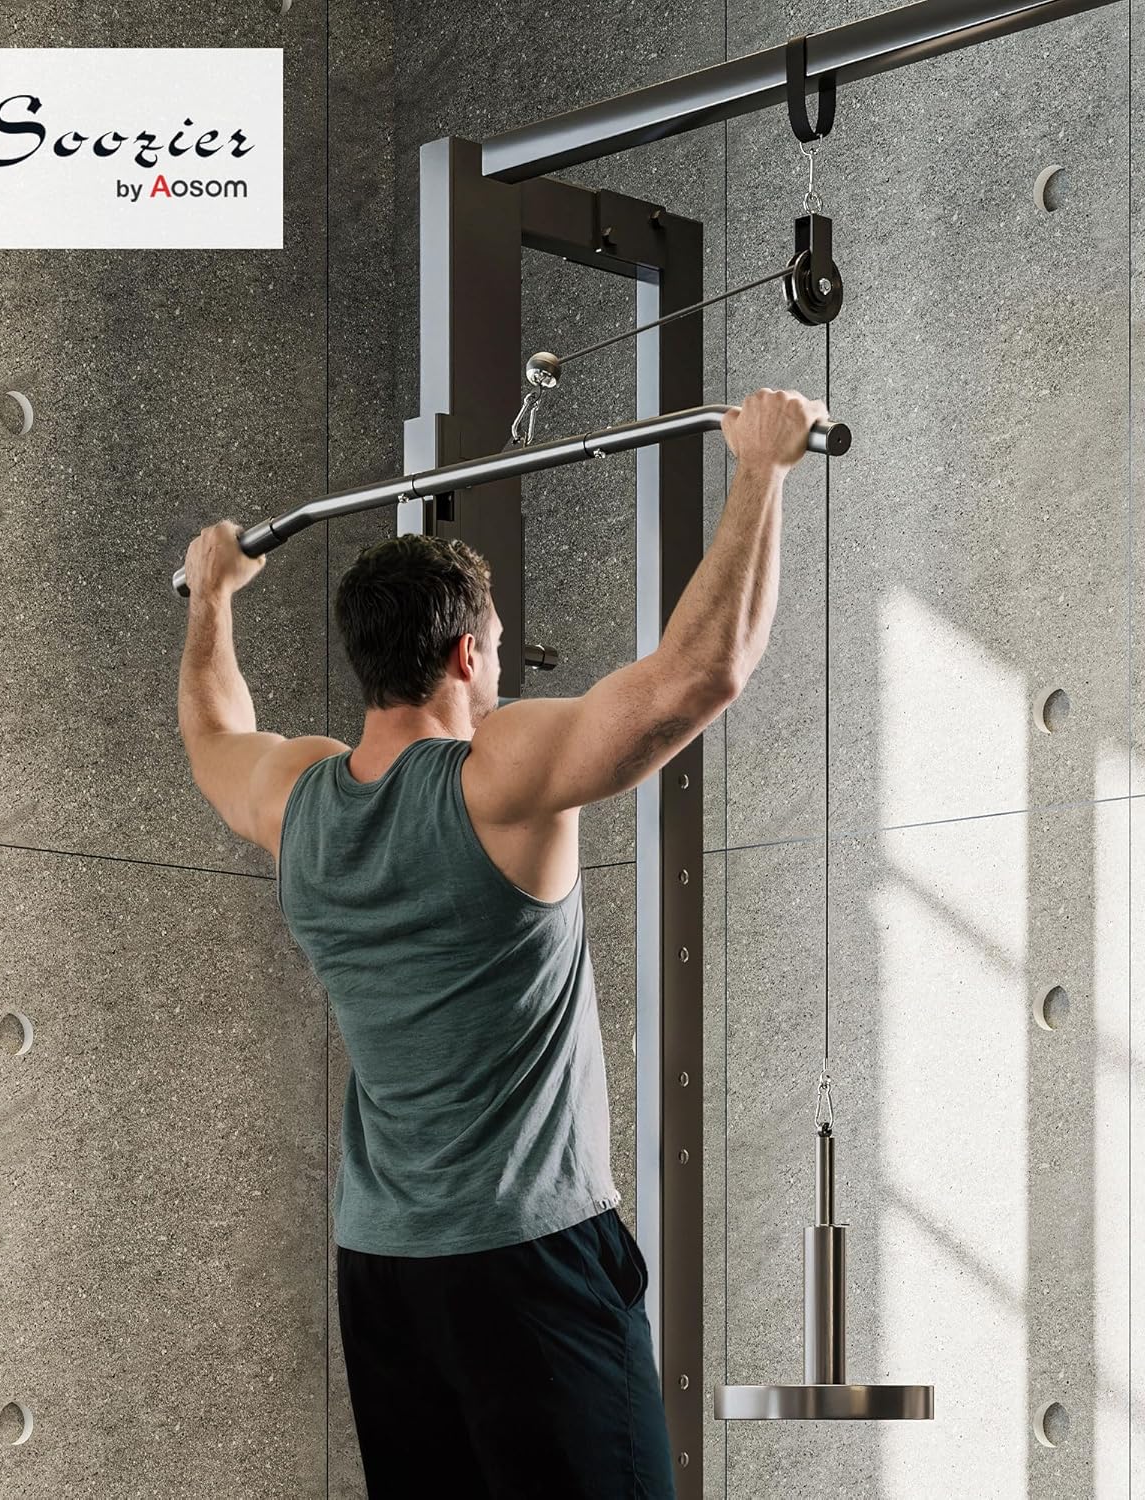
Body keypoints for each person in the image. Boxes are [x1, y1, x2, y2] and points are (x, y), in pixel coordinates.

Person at [176, 387, 829, 1497]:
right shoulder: (498, 778)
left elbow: (211, 727)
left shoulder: (293, 799)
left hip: (383, 1272)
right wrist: (761, 470)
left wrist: (213, 596)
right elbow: (699, 676)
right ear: (467, 654)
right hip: (529, 1263)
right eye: (493, 652)